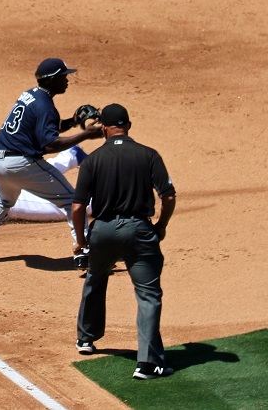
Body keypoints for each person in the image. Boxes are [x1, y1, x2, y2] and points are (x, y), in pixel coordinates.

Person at [0, 58, 103, 267]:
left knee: (4, 201)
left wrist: (72, 122)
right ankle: (84, 251)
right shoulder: (45, 106)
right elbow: (51, 144)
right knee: (71, 201)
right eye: (64, 76)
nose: (68, 80)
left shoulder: (31, 95)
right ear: (52, 80)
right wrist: (86, 135)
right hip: (19, 164)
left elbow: (46, 127)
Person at [71, 103, 176, 380]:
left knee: (95, 276)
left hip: (103, 232)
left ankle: (85, 339)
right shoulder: (149, 155)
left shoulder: (92, 160)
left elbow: (78, 208)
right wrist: (161, 226)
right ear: (128, 125)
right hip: (139, 231)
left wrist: (81, 240)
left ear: (104, 128)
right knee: (148, 295)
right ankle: (149, 364)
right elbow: (168, 196)